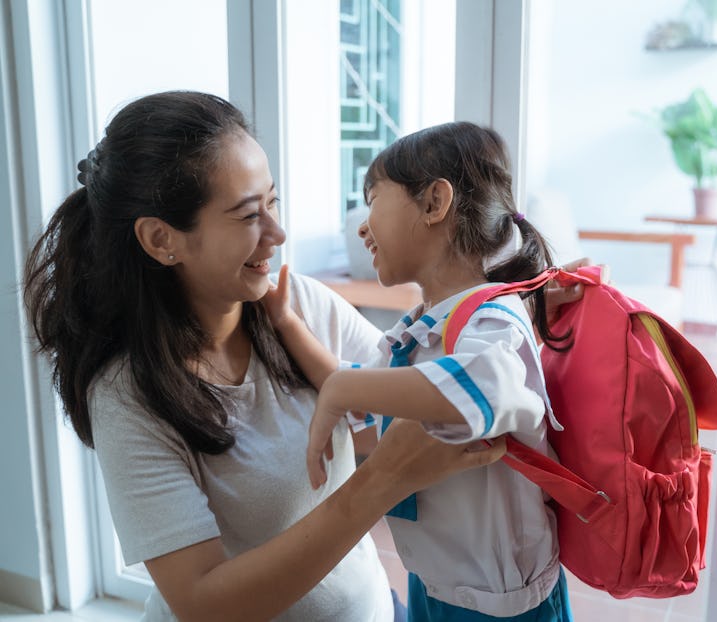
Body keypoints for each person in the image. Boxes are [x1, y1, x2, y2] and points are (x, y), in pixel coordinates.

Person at [22, 91, 512, 622]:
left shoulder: (294, 303)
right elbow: (202, 603)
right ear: (162, 239)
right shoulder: (127, 395)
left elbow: (414, 409)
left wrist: (522, 312)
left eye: (272, 202)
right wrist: (382, 482)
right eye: (249, 215)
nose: (277, 234)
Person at [266, 121, 576, 621]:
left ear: (434, 203)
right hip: (434, 584)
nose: (363, 225)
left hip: (501, 606)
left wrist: (347, 388)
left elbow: (484, 388)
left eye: (372, 200)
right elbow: (367, 391)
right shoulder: (422, 329)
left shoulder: (494, 319)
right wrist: (286, 323)